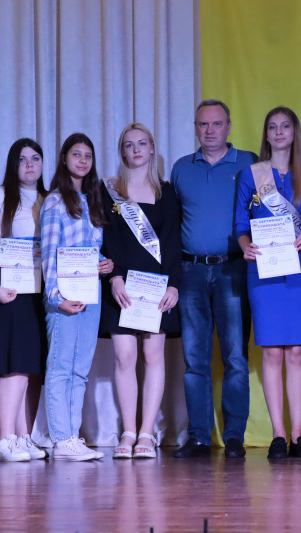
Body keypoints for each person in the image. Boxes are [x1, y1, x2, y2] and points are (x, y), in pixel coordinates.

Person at [171, 99, 257, 459]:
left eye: (217, 123)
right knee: (195, 359)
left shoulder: (249, 162)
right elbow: (171, 221)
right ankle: (199, 437)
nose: (209, 131)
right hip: (190, 271)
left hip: (233, 268)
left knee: (235, 356)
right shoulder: (181, 168)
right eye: (203, 124)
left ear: (229, 127)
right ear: (195, 128)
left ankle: (234, 436)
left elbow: (268, 211)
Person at [235, 106, 301, 459]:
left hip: (298, 271)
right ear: (266, 134)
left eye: (286, 126)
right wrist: (245, 246)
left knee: (296, 351)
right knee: (271, 351)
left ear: (294, 132)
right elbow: (240, 225)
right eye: (273, 127)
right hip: (263, 269)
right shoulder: (251, 175)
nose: (279, 131)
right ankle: (279, 436)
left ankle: (299, 436)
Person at [101, 123, 181, 460]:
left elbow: (173, 242)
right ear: (122, 151)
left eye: (142, 143)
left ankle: (147, 432)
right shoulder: (108, 191)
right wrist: (114, 277)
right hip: (121, 287)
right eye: (129, 144)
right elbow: (107, 239)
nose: (136, 149)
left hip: (156, 287)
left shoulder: (167, 192)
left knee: (152, 356)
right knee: (124, 357)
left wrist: (174, 284)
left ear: (151, 149)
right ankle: (128, 430)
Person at [40, 133, 112, 461]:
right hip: (64, 298)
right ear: (64, 159)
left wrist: (104, 264)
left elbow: (91, 251)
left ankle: (72, 436)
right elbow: (49, 254)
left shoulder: (93, 202)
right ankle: (61, 438)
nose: (83, 160)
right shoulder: (55, 202)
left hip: (90, 293)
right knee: (60, 367)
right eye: (76, 154)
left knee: (80, 370)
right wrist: (56, 298)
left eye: (88, 155)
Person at [0, 138, 48, 462]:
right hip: (9, 292)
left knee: (31, 368)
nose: (29, 164)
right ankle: (4, 438)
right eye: (22, 159)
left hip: (39, 294)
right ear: (12, 164)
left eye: (35, 158)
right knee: (12, 366)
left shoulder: (50, 199)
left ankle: (23, 437)